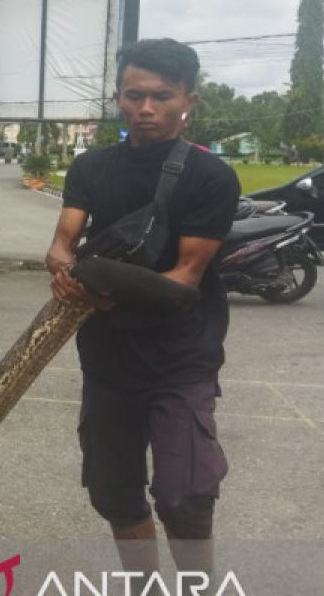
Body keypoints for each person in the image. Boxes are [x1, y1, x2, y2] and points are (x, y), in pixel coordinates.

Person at [45, 39, 239, 588]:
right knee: (113, 490)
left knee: (185, 496)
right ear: (118, 97)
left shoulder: (210, 178)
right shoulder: (92, 166)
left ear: (188, 101)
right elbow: (62, 244)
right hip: (108, 359)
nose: (146, 109)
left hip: (180, 359)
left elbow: (185, 281)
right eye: (134, 95)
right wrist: (64, 271)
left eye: (162, 96)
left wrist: (105, 286)